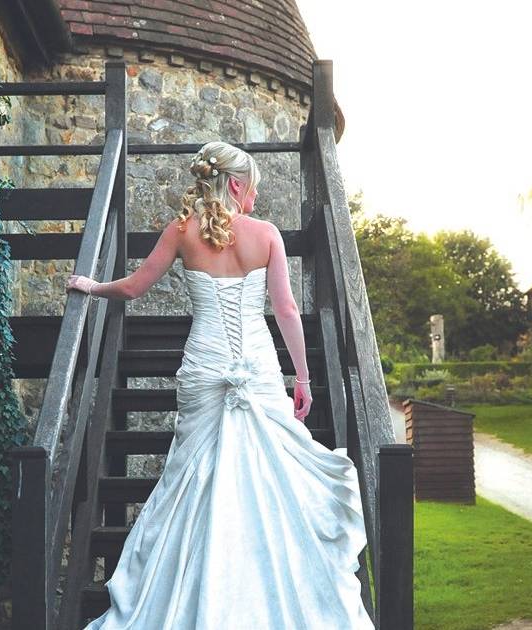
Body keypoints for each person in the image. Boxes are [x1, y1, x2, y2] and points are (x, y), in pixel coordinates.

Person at [67, 140, 374, 629]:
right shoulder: (266, 234)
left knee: (193, 480)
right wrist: (304, 376)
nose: (255, 196)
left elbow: (133, 287)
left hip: (205, 368)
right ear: (235, 183)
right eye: (252, 186)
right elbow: (287, 310)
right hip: (257, 366)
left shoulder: (181, 231)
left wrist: (91, 286)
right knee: (270, 481)